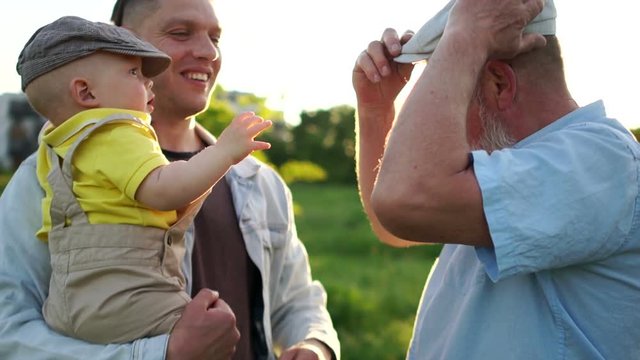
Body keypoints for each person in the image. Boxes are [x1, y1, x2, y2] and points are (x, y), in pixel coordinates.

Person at [0, 0, 340, 359]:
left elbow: (298, 300)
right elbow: (10, 332)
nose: (208, 51)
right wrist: (164, 353)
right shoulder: (46, 180)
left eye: (215, 37)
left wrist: (314, 344)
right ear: (122, 41)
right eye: (180, 33)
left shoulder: (258, 180)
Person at [353, 0, 640, 359]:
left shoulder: (602, 163)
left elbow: (405, 201)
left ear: (500, 84)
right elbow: (394, 225)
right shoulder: (507, 164)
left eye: (447, 98)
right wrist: (376, 111)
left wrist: (466, 37)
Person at [17, 15, 272, 344]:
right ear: (85, 92)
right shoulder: (116, 131)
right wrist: (224, 152)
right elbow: (164, 190)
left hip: (68, 305)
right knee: (211, 325)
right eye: (134, 73)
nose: (148, 82)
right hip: (127, 297)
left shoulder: (56, 149)